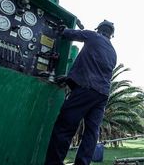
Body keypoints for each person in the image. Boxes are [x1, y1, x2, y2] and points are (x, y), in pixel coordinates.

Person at [45, 20, 117, 165]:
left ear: (99, 30)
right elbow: (95, 70)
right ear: (111, 34)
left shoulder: (93, 36)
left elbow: (69, 33)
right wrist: (69, 79)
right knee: (91, 133)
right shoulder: (113, 52)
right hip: (102, 95)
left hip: (86, 89)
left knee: (65, 128)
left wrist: (62, 29)